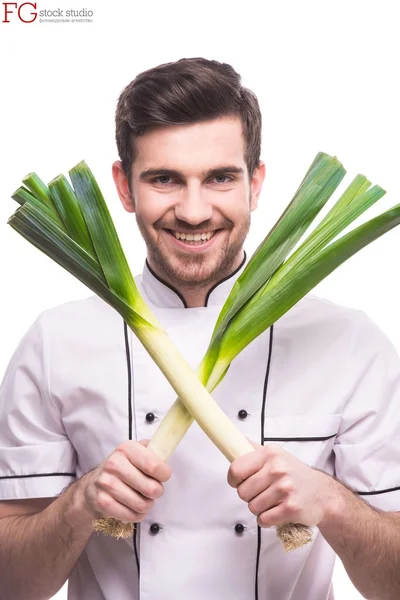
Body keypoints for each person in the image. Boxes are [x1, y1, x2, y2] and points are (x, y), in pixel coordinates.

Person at [0, 57, 399, 600]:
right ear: (123, 186)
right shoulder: (53, 343)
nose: (193, 211)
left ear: (255, 184)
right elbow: (10, 584)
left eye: (220, 178)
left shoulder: (350, 343)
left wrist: (332, 503)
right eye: (164, 179)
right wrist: (80, 503)